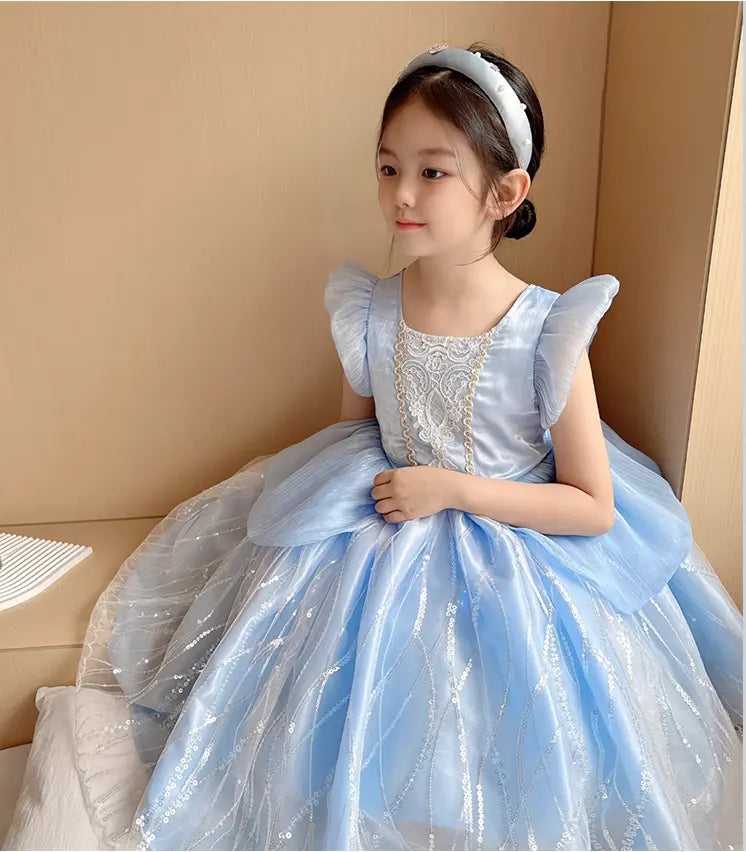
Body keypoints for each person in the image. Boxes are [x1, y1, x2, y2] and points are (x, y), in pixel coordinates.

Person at [73, 42, 743, 851]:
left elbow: (591, 505)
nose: (401, 194)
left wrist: (454, 490)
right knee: (342, 705)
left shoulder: (546, 330)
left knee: (506, 719)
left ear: (505, 192)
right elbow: (356, 434)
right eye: (389, 168)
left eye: (433, 172)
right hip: (378, 533)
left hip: (520, 550)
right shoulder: (370, 310)